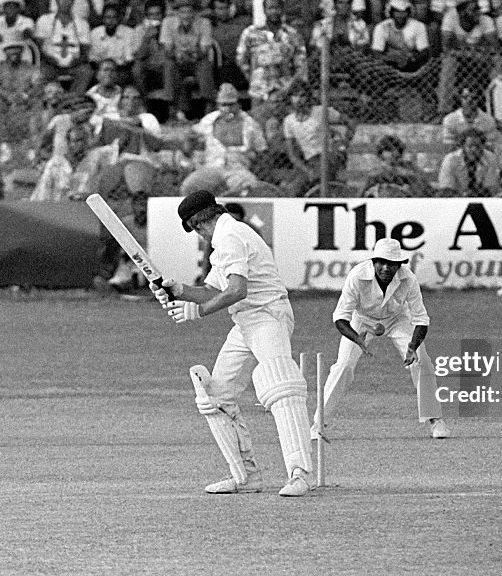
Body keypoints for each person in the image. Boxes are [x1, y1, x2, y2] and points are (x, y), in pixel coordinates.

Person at [151, 190, 315, 496]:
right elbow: (213, 290)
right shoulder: (224, 240)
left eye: (195, 227)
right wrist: (177, 289)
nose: (197, 234)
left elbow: (238, 290)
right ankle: (246, 476)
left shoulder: (231, 236)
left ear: (200, 221)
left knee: (281, 387)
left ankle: (301, 474)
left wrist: (198, 311)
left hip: (267, 316)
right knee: (216, 396)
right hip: (245, 323)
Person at [314, 238, 450, 441]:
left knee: (422, 362)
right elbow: (340, 317)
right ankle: (318, 424)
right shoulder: (357, 276)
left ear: (399, 264)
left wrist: (413, 346)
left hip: (397, 319)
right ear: (373, 261)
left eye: (392, 263)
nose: (386, 267)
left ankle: (435, 420)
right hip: (361, 322)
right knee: (343, 366)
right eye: (381, 262)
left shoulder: (408, 279)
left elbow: (421, 318)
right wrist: (356, 338)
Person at [235, 0, 307, 141]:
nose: (274, 11)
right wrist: (252, 78)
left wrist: (291, 85)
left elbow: (301, 62)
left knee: (286, 131)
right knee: (259, 130)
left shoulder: (292, 34)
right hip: (259, 90)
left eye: (277, 7)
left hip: (286, 90)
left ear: (282, 9)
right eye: (270, 8)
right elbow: (241, 58)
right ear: (264, 10)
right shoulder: (251, 33)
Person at [282, 81, 354, 196]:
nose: (298, 100)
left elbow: (350, 123)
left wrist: (344, 144)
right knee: (291, 190)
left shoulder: (320, 111)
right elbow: (292, 155)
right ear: (290, 98)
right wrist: (307, 170)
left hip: (329, 155)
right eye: (295, 96)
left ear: (308, 97)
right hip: (310, 161)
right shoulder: (289, 121)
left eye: (302, 95)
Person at [436, 127, 502, 196]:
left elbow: (490, 186)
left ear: (483, 146)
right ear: (462, 146)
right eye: (470, 146)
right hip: (456, 197)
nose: (474, 149)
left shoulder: (490, 158)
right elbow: (447, 186)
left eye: (477, 146)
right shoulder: (451, 159)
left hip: (481, 197)